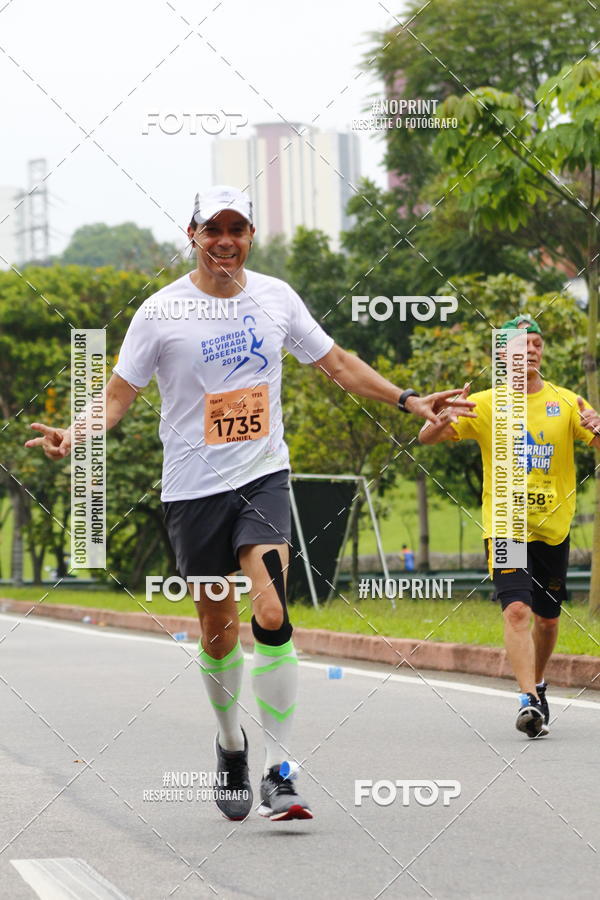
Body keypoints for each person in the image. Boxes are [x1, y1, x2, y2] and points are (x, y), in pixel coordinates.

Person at [26, 184, 475, 821]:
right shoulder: (159, 312)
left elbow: (339, 364)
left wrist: (408, 400)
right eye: (214, 230)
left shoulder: (276, 298)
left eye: (237, 229)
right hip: (191, 489)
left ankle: (279, 770)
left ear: (251, 237)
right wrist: (78, 431)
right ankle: (231, 744)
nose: (226, 241)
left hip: (262, 476)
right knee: (217, 630)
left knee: (269, 606)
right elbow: (119, 395)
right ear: (193, 235)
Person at [418, 313, 600, 738]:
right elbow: (427, 438)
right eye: (522, 344)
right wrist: (439, 420)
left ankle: (537, 682)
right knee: (517, 608)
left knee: (548, 620)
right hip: (505, 526)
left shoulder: (567, 401)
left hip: (553, 527)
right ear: (503, 355)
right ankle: (528, 701)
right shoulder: (482, 404)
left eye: (536, 343)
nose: (531, 349)